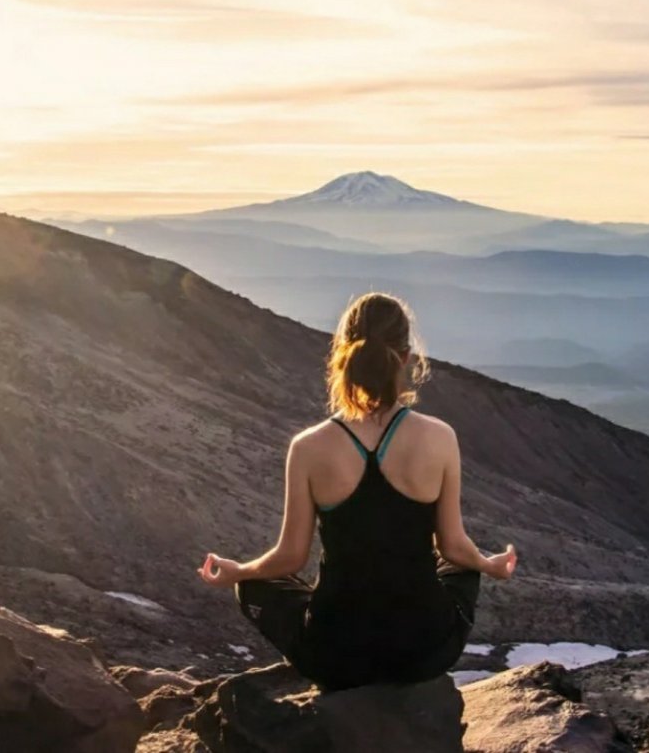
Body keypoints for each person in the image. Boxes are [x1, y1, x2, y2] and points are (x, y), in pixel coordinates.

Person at [198, 292, 516, 691]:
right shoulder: (439, 437)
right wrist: (489, 564)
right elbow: (452, 546)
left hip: (336, 654)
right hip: (423, 651)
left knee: (254, 584)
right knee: (462, 565)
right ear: (404, 358)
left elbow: (290, 557)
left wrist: (238, 572)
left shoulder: (309, 446)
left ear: (343, 356)